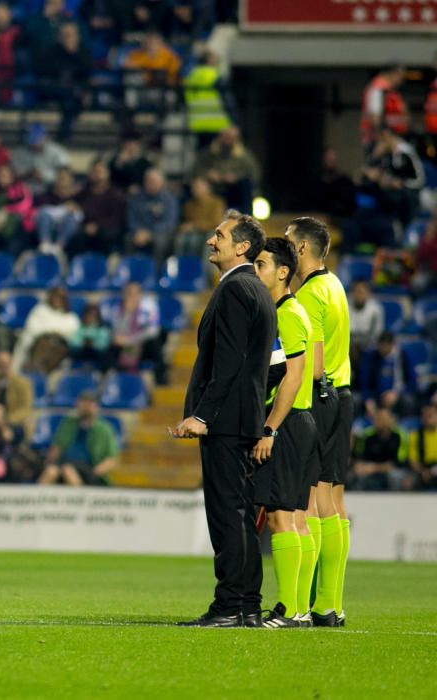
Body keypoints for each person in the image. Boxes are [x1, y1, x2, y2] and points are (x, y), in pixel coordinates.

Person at [172, 210, 276, 627]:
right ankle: (247, 604)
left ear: (242, 247)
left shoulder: (236, 290)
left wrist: (203, 415)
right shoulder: (257, 290)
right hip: (241, 418)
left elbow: (229, 363)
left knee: (227, 514)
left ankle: (230, 605)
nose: (211, 240)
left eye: (220, 235)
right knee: (239, 513)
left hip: (227, 421)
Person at [288, 216, 353, 627]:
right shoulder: (336, 285)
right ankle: (330, 604)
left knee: (311, 502)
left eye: (289, 242)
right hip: (342, 395)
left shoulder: (310, 293)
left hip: (320, 397)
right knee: (334, 501)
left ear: (301, 249)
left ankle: (300, 605)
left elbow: (310, 367)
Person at [250, 237, 319, 627]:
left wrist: (270, 428)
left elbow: (293, 378)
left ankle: (290, 609)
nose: (256, 272)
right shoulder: (289, 311)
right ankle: (300, 609)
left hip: (288, 423)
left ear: (281, 272)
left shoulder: (288, 314)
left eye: (261, 264)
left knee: (280, 518)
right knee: (296, 517)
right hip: (302, 422)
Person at [38, 390, 119, 486]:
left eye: (89, 404)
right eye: (83, 403)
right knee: (51, 471)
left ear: (96, 407)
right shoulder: (68, 424)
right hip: (66, 462)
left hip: (89, 467)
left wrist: (96, 471)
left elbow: (111, 459)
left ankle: (80, 498)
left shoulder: (104, 430)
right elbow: (57, 448)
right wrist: (50, 461)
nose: (86, 407)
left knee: (68, 471)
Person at [65, 160, 127, 258]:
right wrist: (70, 204)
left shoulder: (115, 194)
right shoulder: (84, 192)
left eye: (100, 171)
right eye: (94, 172)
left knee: (107, 235)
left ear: (107, 174)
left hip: (106, 229)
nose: (97, 175)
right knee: (74, 236)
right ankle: (75, 266)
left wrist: (97, 226)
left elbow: (117, 218)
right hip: (85, 228)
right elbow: (71, 203)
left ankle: (105, 266)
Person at [12, 287, 80, 374]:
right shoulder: (40, 310)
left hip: (60, 347)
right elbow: (32, 328)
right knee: (45, 343)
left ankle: (42, 372)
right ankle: (34, 369)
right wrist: (51, 332)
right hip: (39, 343)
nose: (57, 300)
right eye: (55, 297)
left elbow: (73, 334)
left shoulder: (71, 317)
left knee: (57, 346)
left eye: (60, 298)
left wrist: (57, 333)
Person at [193, 127, 259, 215]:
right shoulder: (208, 153)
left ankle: (246, 219)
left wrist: (236, 177)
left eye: (232, 138)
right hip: (214, 188)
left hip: (233, 190)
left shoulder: (244, 156)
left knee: (245, 185)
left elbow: (254, 174)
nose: (228, 141)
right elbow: (195, 170)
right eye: (226, 137)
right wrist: (208, 175)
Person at [110, 282, 167, 384]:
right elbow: (118, 334)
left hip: (143, 344)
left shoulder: (149, 306)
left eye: (135, 293)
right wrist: (127, 313)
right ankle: (114, 378)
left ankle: (161, 378)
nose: (132, 297)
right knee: (110, 347)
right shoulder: (118, 309)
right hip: (126, 344)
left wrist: (131, 340)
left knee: (155, 344)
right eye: (129, 293)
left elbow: (153, 331)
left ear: (140, 294)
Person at [350, 407, 412, 491]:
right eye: (376, 418)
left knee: (394, 476)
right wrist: (359, 466)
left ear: (390, 420)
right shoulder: (368, 435)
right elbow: (360, 458)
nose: (377, 421)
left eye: (381, 418)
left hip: (394, 471)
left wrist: (373, 468)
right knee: (356, 474)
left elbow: (397, 463)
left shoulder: (400, 436)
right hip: (371, 471)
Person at [359, 331, 419, 418]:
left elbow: (412, 381)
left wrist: (396, 394)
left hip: (398, 395)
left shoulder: (403, 356)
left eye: (385, 346)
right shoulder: (371, 357)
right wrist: (368, 399)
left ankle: (407, 426)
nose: (383, 349)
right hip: (376, 395)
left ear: (392, 344)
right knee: (356, 400)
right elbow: (364, 382)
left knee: (408, 401)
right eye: (381, 345)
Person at [126, 168, 179, 263]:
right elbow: (131, 219)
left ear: (161, 183)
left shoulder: (169, 199)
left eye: (153, 181)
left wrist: (149, 233)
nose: (149, 184)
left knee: (160, 242)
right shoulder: (137, 198)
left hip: (160, 233)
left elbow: (169, 223)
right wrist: (138, 231)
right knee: (128, 239)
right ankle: (130, 272)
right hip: (139, 232)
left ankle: (155, 272)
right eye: (147, 181)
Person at [183, 51, 232, 149]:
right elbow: (228, 101)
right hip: (217, 124)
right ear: (210, 61)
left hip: (197, 123)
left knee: (202, 154)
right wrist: (235, 121)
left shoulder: (191, 77)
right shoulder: (214, 76)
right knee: (217, 155)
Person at [34, 166, 83, 255]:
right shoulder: (46, 195)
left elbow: (79, 216)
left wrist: (73, 209)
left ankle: (59, 246)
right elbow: (42, 212)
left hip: (66, 231)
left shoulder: (77, 198)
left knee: (72, 218)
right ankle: (44, 244)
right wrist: (64, 209)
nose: (62, 181)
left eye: (65, 179)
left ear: (71, 181)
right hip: (49, 228)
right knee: (43, 214)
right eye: (60, 178)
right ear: (55, 180)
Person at [11, 123, 70, 195]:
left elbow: (65, 173)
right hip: (25, 191)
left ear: (45, 137)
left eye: (37, 140)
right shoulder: (19, 152)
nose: (34, 144)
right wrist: (30, 174)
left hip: (52, 190)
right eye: (32, 141)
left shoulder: (58, 151)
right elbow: (13, 174)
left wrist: (44, 176)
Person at [360, 63, 408, 148]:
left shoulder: (390, 90)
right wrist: (388, 139)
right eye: (400, 76)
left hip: (392, 139)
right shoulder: (378, 89)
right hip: (381, 142)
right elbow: (374, 119)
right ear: (393, 74)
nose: (401, 80)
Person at [348, 279, 384, 387]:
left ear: (368, 294)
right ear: (352, 293)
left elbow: (377, 335)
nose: (359, 295)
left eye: (362, 292)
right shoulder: (345, 306)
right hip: (350, 348)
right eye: (357, 292)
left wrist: (362, 345)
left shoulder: (375, 310)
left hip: (369, 348)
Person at [177, 176, 225, 256]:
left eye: (198, 187)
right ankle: (180, 265)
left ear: (207, 188)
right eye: (193, 187)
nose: (194, 190)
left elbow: (216, 222)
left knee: (209, 240)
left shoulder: (217, 202)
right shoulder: (189, 204)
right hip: (193, 233)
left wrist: (194, 225)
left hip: (210, 231)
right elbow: (186, 221)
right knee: (180, 239)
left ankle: (204, 268)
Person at [70, 303, 112, 372]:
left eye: (94, 315)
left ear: (98, 317)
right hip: (82, 352)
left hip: (97, 353)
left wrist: (93, 343)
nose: (91, 317)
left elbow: (103, 345)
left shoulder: (102, 329)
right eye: (89, 315)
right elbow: (74, 343)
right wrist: (84, 342)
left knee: (106, 354)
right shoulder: (80, 329)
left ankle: (103, 374)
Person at [409, 403, 437, 489]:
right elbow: (413, 460)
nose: (426, 419)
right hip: (422, 469)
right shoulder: (415, 435)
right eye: (424, 416)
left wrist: (432, 472)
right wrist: (423, 472)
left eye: (430, 415)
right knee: (408, 481)